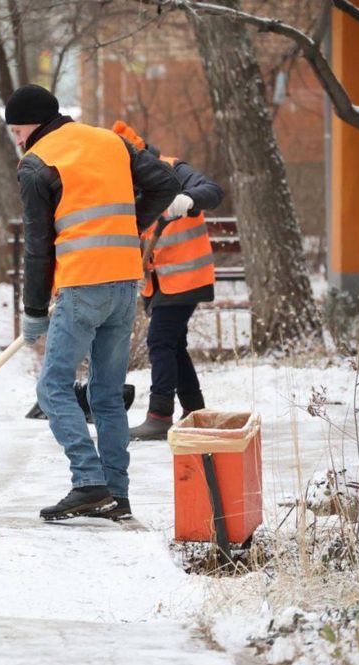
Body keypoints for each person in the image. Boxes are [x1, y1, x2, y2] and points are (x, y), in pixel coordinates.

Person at [7, 84, 186, 522]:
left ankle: (89, 483)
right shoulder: (112, 141)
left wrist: (33, 311)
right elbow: (166, 183)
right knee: (105, 394)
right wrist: (131, 225)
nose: (16, 139)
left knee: (52, 388)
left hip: (82, 285)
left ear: (32, 125)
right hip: (124, 283)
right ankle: (116, 494)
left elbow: (37, 248)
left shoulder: (36, 164)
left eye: (17, 130)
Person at [111, 121, 224, 441]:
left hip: (186, 276)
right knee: (174, 345)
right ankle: (195, 410)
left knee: (160, 341)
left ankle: (160, 415)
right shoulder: (124, 183)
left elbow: (213, 191)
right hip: (157, 282)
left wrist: (188, 198)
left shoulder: (173, 170)